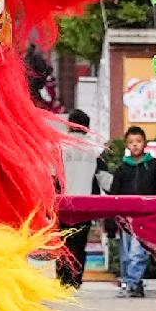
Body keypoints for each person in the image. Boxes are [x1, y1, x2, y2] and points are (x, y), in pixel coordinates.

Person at [108, 125, 156, 297]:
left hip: (145, 216)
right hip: (125, 217)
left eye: (138, 141)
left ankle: (132, 283)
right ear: (126, 144)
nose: (135, 145)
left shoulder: (154, 166)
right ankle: (131, 282)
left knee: (138, 251)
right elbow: (114, 194)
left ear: (145, 143)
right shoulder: (122, 169)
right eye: (131, 142)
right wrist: (112, 217)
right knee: (126, 253)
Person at [55, 109, 99, 288]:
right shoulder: (95, 149)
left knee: (63, 243)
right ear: (87, 127)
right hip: (85, 205)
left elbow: (53, 175)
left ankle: (62, 279)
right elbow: (102, 177)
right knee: (80, 244)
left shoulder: (60, 146)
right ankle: (75, 280)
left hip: (63, 203)